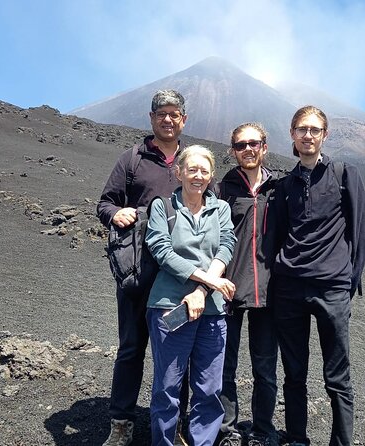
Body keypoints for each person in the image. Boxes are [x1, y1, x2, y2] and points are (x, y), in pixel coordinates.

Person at [97, 89, 194, 446]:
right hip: (138, 271)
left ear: (183, 119)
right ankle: (121, 422)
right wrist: (115, 212)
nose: (167, 119)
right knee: (131, 346)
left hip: (178, 276)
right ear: (151, 118)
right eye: (160, 114)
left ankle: (175, 424)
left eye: (174, 113)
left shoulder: (192, 161)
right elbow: (105, 202)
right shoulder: (133, 159)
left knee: (176, 349)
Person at [270, 106, 365, 446]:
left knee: (337, 377)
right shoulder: (285, 185)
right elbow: (278, 234)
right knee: (294, 374)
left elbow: (361, 229)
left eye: (314, 130)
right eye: (302, 129)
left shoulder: (344, 174)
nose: (308, 135)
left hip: (332, 289)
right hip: (289, 289)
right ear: (292, 135)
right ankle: (297, 438)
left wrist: (348, 280)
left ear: (325, 135)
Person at [145, 145, 237, 446]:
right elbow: (161, 250)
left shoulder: (221, 209)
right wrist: (209, 279)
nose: (198, 176)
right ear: (179, 172)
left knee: (209, 390)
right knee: (167, 388)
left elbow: (226, 246)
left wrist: (201, 290)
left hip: (212, 311)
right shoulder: (163, 207)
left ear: (211, 175)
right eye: (192, 169)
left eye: (204, 170)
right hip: (170, 308)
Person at [217, 123, 280, 446]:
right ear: (233, 151)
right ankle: (226, 430)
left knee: (265, 369)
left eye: (253, 143)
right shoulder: (223, 188)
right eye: (240, 145)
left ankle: (262, 430)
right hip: (228, 289)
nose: (248, 150)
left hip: (269, 293)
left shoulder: (278, 189)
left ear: (264, 147)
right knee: (223, 367)